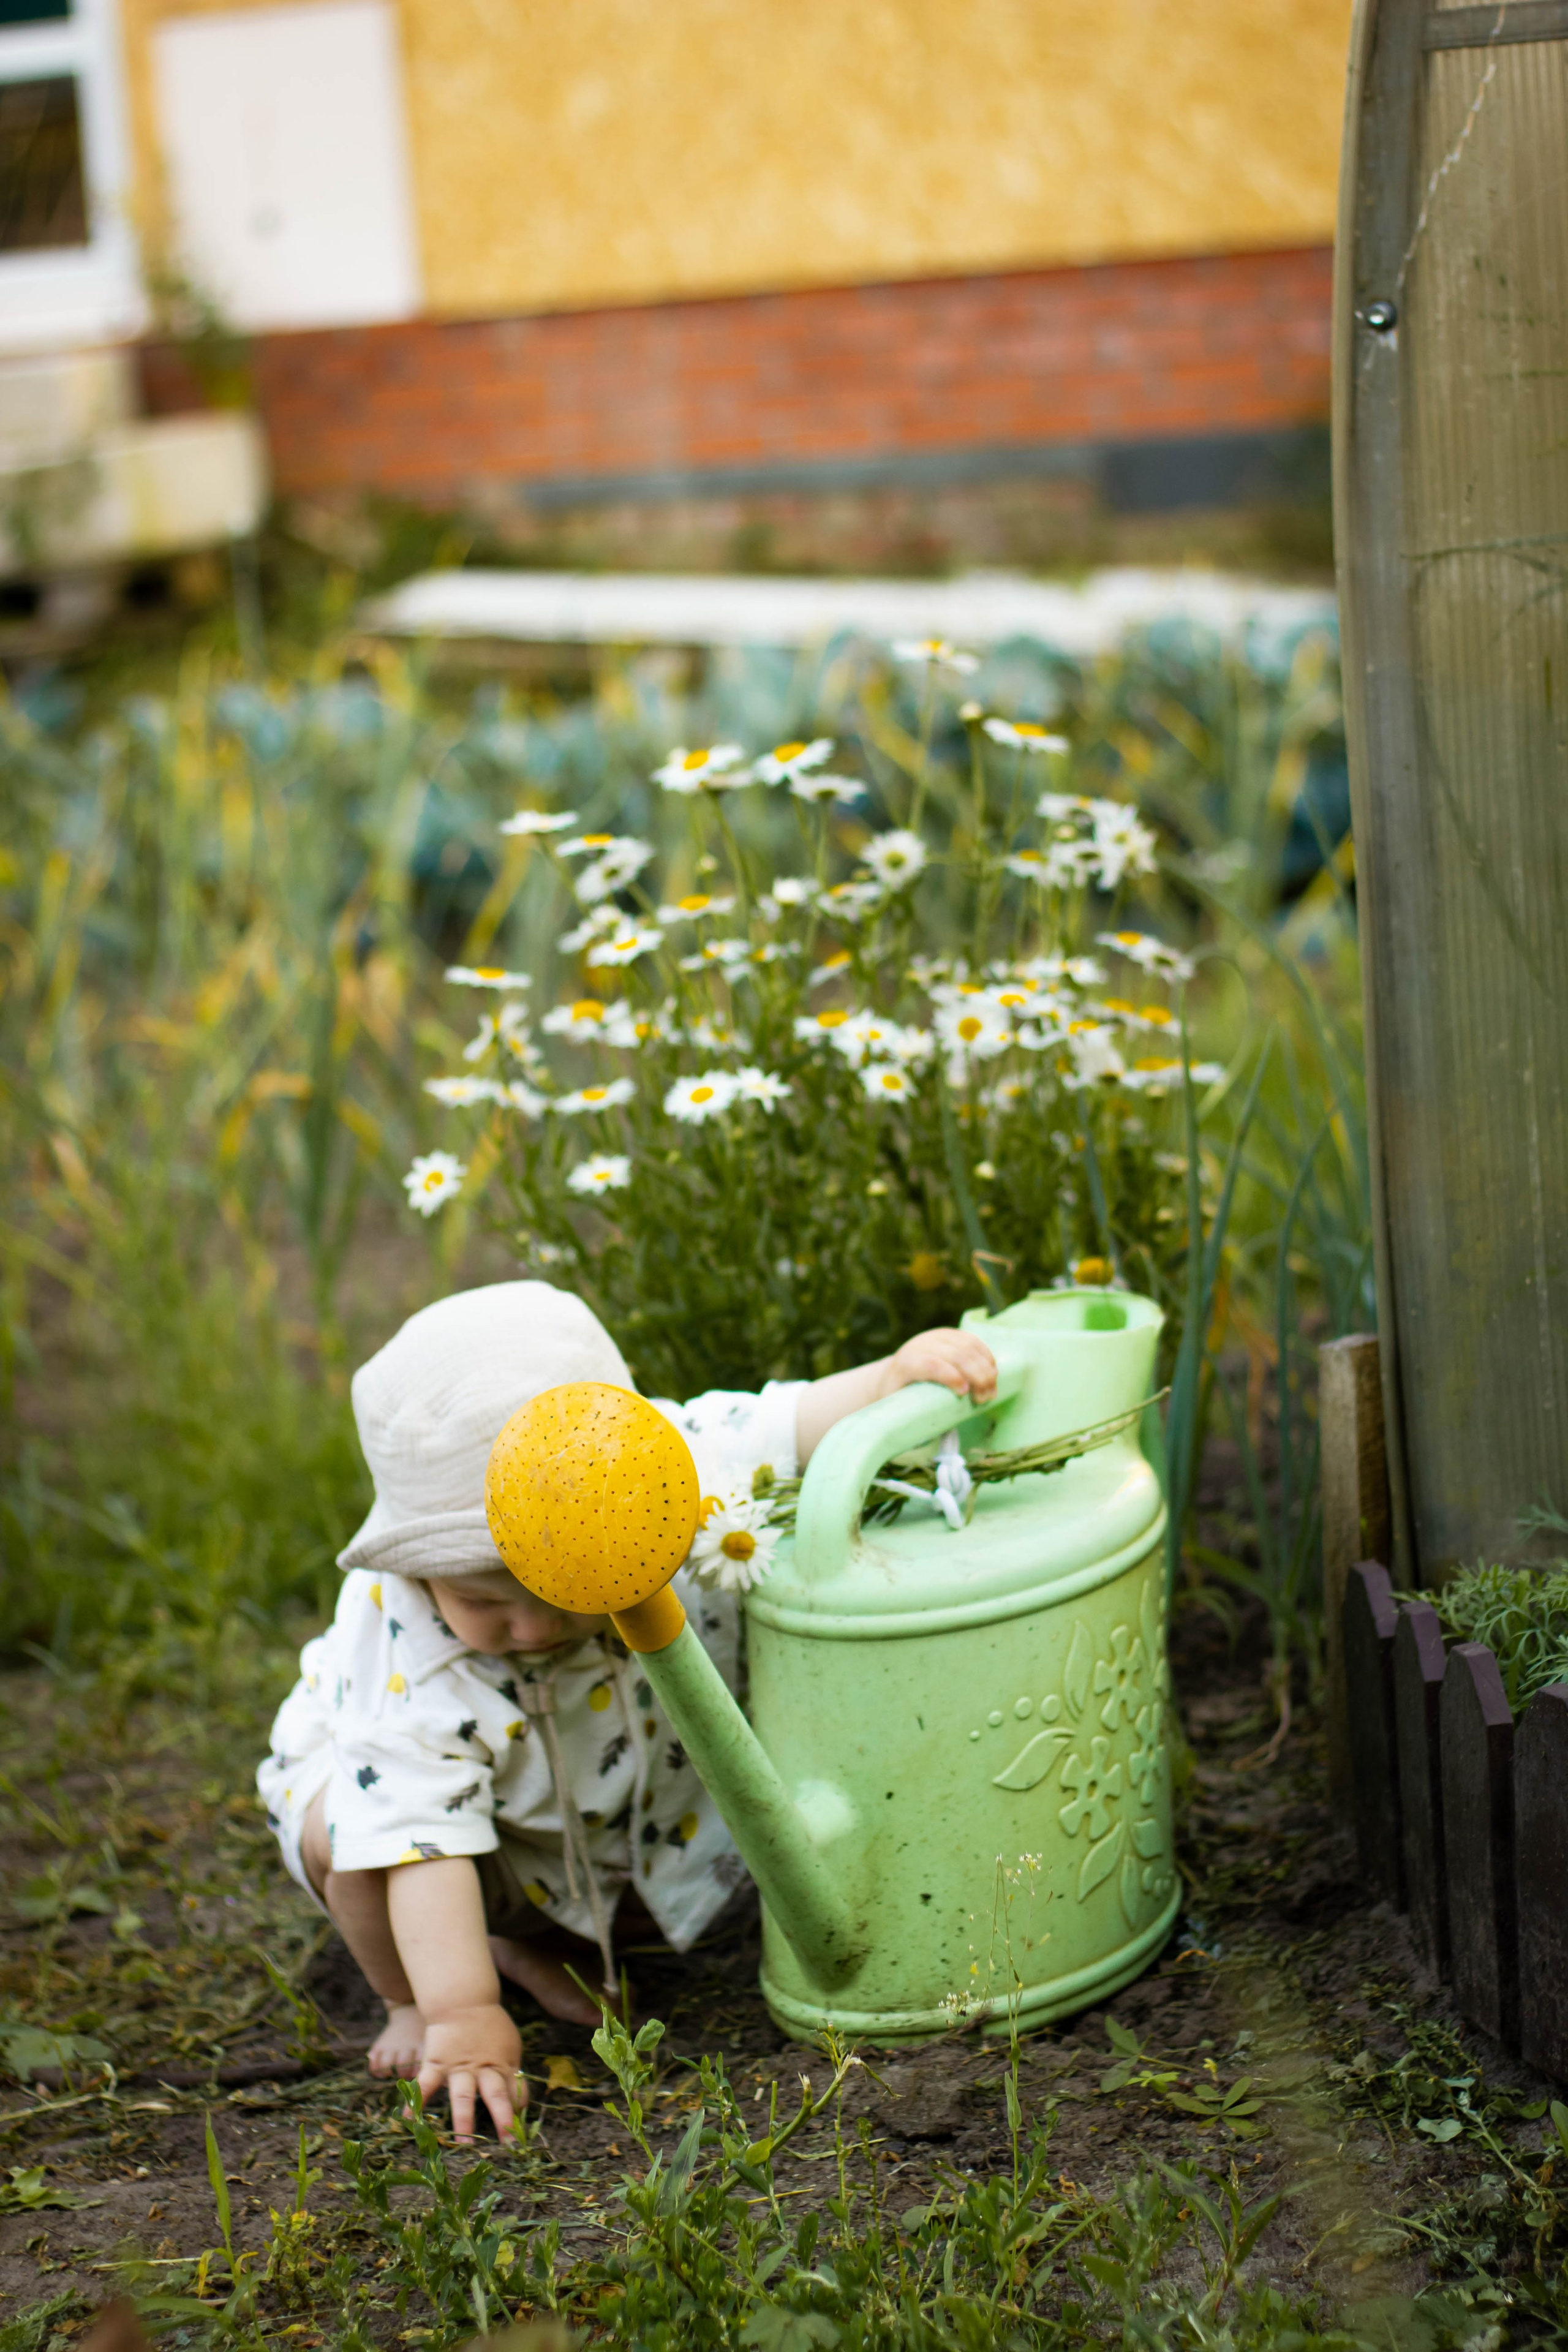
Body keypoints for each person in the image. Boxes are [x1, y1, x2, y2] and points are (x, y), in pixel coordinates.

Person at [258, 1281, 996, 2140]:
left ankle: (534, 1936)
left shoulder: (654, 1481)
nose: (529, 1627)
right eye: (479, 1598)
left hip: (587, 1798)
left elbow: (778, 1429)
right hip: (400, 1819)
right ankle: (408, 1996)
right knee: (359, 1858)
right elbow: (420, 1839)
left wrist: (888, 1379)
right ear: (421, 1576)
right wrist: (460, 2015)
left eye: (548, 1587)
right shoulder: (410, 1658)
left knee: (639, 1896)